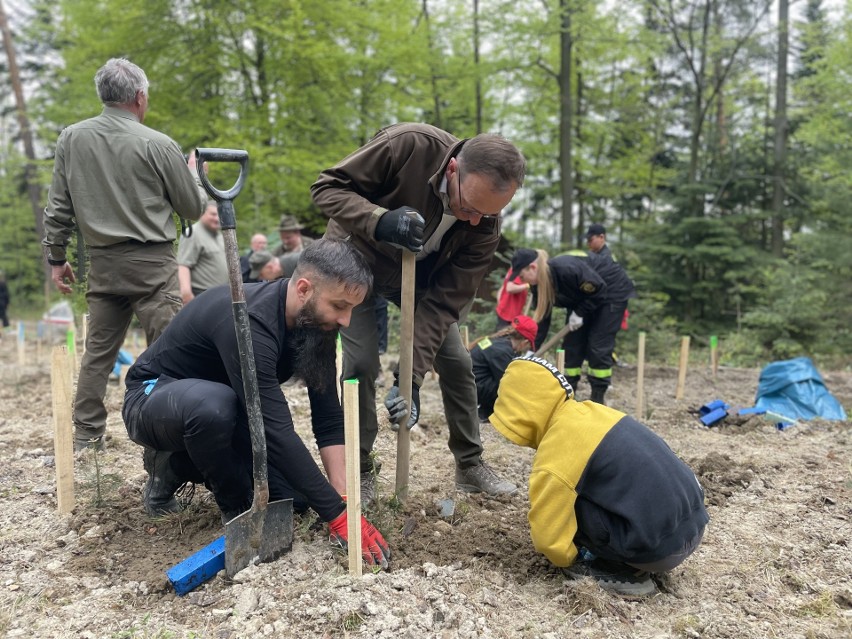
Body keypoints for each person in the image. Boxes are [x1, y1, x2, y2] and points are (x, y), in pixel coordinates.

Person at [121, 239, 391, 568]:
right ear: (304, 289)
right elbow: (274, 430)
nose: (346, 320)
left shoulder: (317, 325)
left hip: (228, 412)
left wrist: (342, 500)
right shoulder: (249, 320)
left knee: (301, 499)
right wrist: (336, 516)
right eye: (339, 306)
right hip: (154, 398)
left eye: (352, 309)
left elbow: (328, 418)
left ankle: (181, 465)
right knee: (215, 407)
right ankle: (228, 505)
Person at [312, 122, 526, 503]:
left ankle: (470, 464)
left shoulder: (485, 223)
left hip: (417, 278)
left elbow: (445, 302)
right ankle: (359, 468)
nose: (475, 220)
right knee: (360, 363)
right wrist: (379, 219)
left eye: (487, 214)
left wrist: (409, 380)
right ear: (453, 169)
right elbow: (326, 188)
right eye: (470, 208)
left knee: (458, 362)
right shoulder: (408, 146)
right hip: (353, 260)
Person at [42, 57, 207, 451]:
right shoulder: (159, 144)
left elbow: (58, 205)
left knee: (98, 352)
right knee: (169, 350)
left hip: (102, 263)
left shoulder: (71, 138)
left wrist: (55, 257)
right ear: (139, 97)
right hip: (152, 263)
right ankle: (165, 437)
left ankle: (86, 436)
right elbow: (193, 209)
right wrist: (194, 176)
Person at [490, 355, 708, 597]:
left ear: (522, 411)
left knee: (571, 504)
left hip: (658, 552)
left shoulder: (557, 449)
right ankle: (636, 551)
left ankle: (616, 571)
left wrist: (568, 556)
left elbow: (548, 539)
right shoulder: (596, 412)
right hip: (694, 524)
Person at [514, 247, 629, 405]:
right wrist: (531, 350)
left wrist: (580, 313)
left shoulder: (566, 269)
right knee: (572, 345)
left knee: (597, 344)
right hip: (584, 299)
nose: (523, 281)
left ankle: (598, 397)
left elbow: (599, 289)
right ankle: (569, 396)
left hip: (611, 292)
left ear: (532, 268)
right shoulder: (538, 285)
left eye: (522, 276)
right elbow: (542, 320)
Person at [470, 314, 537, 423]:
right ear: (525, 342)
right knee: (510, 386)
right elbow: (509, 383)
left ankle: (485, 412)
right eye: (528, 346)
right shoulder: (502, 351)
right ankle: (494, 413)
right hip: (471, 389)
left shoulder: (499, 341)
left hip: (471, 384)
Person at [177, 200, 229, 303]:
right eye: (213, 214)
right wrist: (186, 293)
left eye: (219, 215)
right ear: (202, 213)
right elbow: (183, 265)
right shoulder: (192, 233)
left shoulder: (219, 235)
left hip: (221, 294)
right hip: (201, 295)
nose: (217, 218)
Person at [494, 265, 529, 331]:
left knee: (499, 336)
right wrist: (527, 285)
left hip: (505, 312)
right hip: (509, 315)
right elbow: (509, 288)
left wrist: (500, 303)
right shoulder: (519, 270)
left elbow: (502, 288)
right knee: (504, 338)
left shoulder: (513, 268)